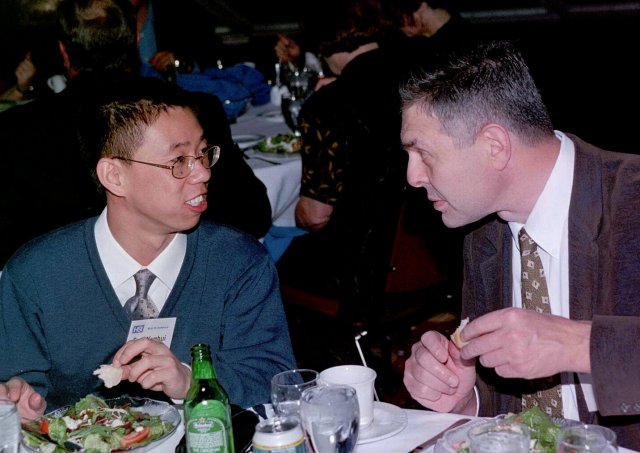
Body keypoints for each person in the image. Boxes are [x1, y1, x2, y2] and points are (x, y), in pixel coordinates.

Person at [0, 76, 296, 420]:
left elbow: (274, 384)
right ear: (114, 176)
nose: (202, 173)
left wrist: (192, 382)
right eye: (179, 161)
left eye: (203, 154)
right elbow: (21, 385)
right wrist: (18, 401)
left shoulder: (238, 262)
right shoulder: (35, 275)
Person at [400, 40, 640, 447]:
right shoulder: (484, 235)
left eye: (423, 153)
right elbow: (511, 401)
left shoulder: (631, 199)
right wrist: (465, 401)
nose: (413, 176)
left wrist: (578, 345)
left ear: (494, 146)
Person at [0, 0, 271, 268]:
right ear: (137, 39)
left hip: (58, 283)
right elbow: (253, 215)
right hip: (190, 277)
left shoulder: (17, 129)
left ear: (64, 51)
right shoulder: (194, 111)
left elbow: (8, 243)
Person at [276, 0, 409, 325]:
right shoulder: (420, 73)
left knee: (262, 258)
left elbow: (315, 216)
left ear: (323, 40)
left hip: (363, 270)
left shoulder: (327, 106)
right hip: (425, 252)